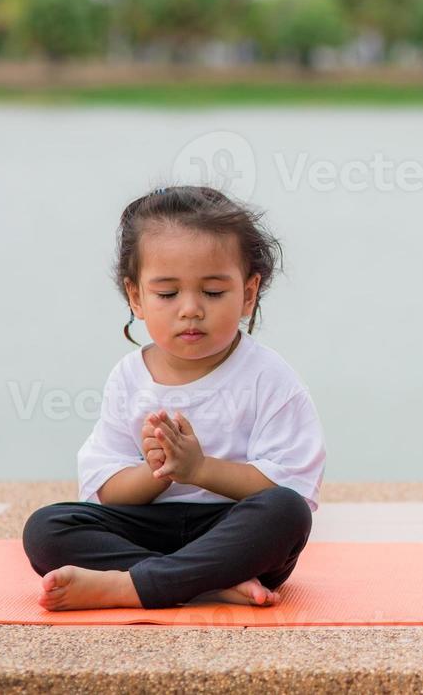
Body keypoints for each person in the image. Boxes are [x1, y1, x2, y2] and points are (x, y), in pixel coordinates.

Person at [22, 185, 325, 610]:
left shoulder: (269, 377)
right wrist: (158, 470)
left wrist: (198, 469)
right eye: (167, 294)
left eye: (213, 292)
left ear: (249, 293)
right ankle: (201, 584)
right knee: (46, 527)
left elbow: (291, 484)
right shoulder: (129, 377)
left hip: (231, 533)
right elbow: (108, 490)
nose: (190, 309)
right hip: (150, 530)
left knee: (286, 513)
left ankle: (129, 585)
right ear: (136, 297)